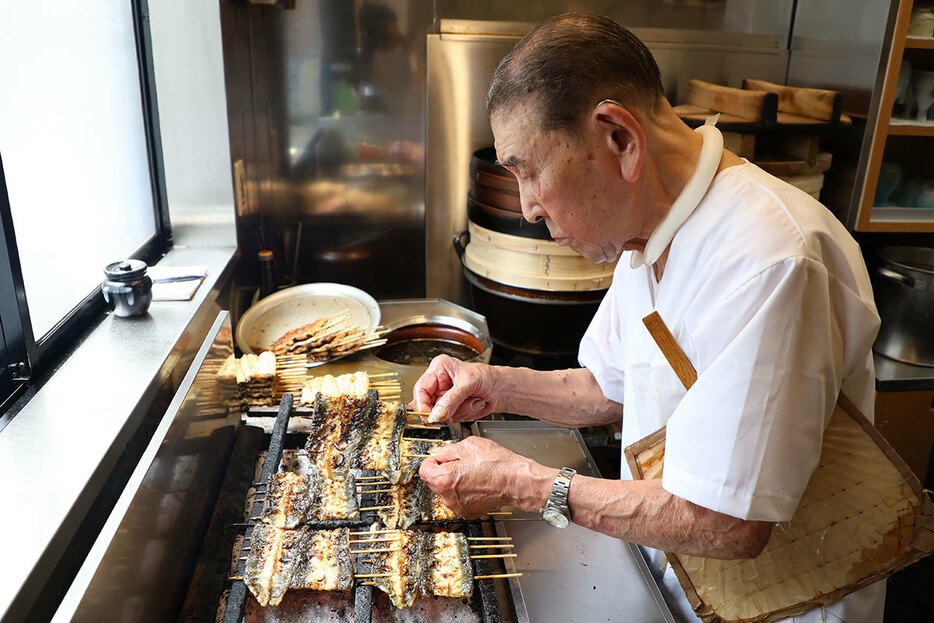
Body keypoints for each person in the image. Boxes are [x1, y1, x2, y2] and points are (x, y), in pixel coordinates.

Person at [411, 12, 884, 623]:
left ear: (619, 139)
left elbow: (728, 523)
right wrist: (495, 384)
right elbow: (608, 385)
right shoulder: (647, 233)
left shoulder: (772, 260)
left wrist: (526, 486)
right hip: (678, 584)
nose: (526, 207)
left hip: (779, 606)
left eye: (528, 171)